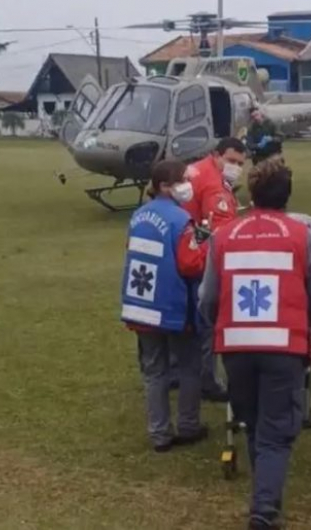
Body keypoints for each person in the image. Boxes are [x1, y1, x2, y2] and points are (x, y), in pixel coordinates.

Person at [199, 159, 311, 529]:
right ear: (287, 195)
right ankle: (264, 513)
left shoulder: (224, 235)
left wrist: (220, 327)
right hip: (284, 348)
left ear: (252, 192)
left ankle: (265, 496)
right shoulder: (301, 235)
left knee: (254, 423)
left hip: (235, 347)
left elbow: (208, 298)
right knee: (276, 433)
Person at [121, 160, 211, 453]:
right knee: (188, 367)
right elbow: (190, 265)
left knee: (154, 371)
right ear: (164, 186)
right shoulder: (180, 220)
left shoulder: (137, 216)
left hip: (141, 303)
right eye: (182, 180)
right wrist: (205, 247)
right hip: (173, 306)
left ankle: (158, 433)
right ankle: (188, 425)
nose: (187, 185)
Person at [180, 137, 249, 401]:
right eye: (231, 161)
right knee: (208, 323)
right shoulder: (213, 184)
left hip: (187, 250)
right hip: (203, 257)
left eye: (240, 163)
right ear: (217, 155)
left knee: (187, 321)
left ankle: (180, 372)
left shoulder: (197, 169)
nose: (235, 167)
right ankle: (207, 380)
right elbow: (221, 233)